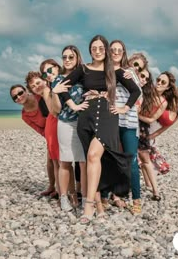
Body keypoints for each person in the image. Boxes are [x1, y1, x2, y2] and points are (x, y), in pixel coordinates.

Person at [53, 35, 141, 224]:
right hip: (87, 117)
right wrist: (73, 105)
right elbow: (62, 86)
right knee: (92, 159)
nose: (98, 50)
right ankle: (98, 204)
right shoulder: (83, 70)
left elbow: (136, 91)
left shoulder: (115, 70)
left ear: (106, 49)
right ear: (90, 50)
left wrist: (124, 108)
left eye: (101, 47)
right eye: (94, 47)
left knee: (94, 155)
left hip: (108, 117)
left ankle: (89, 205)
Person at [51, 45, 88, 211]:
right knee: (65, 162)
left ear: (77, 58)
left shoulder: (84, 76)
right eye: (64, 57)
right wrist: (54, 92)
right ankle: (64, 196)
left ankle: (86, 197)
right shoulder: (58, 80)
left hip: (83, 124)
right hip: (65, 123)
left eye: (70, 57)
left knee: (84, 162)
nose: (67, 60)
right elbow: (57, 110)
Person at [108, 39, 142, 214]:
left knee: (132, 161)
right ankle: (113, 195)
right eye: (112, 50)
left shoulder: (128, 71)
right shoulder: (104, 71)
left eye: (119, 50)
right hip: (111, 121)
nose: (115, 52)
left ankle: (136, 199)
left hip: (128, 122)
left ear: (123, 52)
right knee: (111, 160)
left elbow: (139, 93)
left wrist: (124, 108)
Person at [139, 71, 178, 200]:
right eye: (158, 80)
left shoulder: (163, 102)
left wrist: (135, 115)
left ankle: (156, 192)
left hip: (143, 127)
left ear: (168, 87)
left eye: (163, 82)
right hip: (130, 123)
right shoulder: (146, 91)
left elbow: (151, 120)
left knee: (145, 160)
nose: (159, 83)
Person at [9, 84, 56, 197]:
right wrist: (51, 138)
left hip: (61, 124)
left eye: (20, 93)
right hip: (50, 134)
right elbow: (40, 130)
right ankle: (52, 186)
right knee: (50, 159)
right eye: (15, 97)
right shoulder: (25, 115)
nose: (19, 97)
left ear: (26, 91)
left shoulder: (40, 97)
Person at [25, 71, 62, 199]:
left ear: (45, 80)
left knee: (61, 162)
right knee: (54, 161)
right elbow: (39, 127)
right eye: (33, 86)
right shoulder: (39, 100)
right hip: (51, 132)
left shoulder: (52, 91)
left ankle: (65, 190)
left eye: (38, 83)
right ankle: (56, 188)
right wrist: (48, 137)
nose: (37, 86)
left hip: (62, 128)